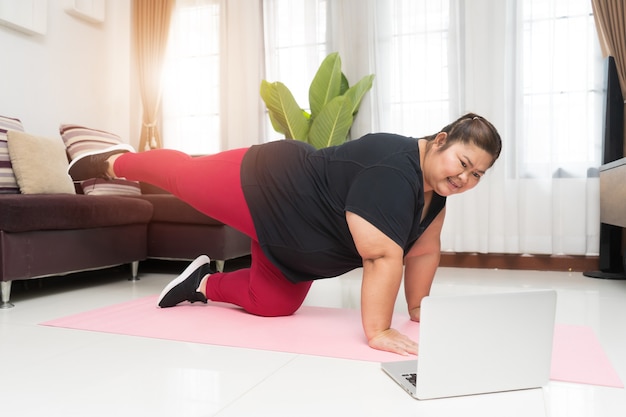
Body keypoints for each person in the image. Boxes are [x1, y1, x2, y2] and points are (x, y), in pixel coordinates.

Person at [68, 112, 502, 356]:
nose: (465, 178)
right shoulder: (393, 168)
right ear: (441, 139)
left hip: (299, 243)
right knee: (183, 176)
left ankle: (201, 282)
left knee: (272, 304)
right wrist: (379, 331)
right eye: (462, 163)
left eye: (477, 174)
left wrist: (418, 308)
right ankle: (116, 162)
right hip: (268, 185)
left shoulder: (436, 195)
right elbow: (380, 257)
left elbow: (423, 252)